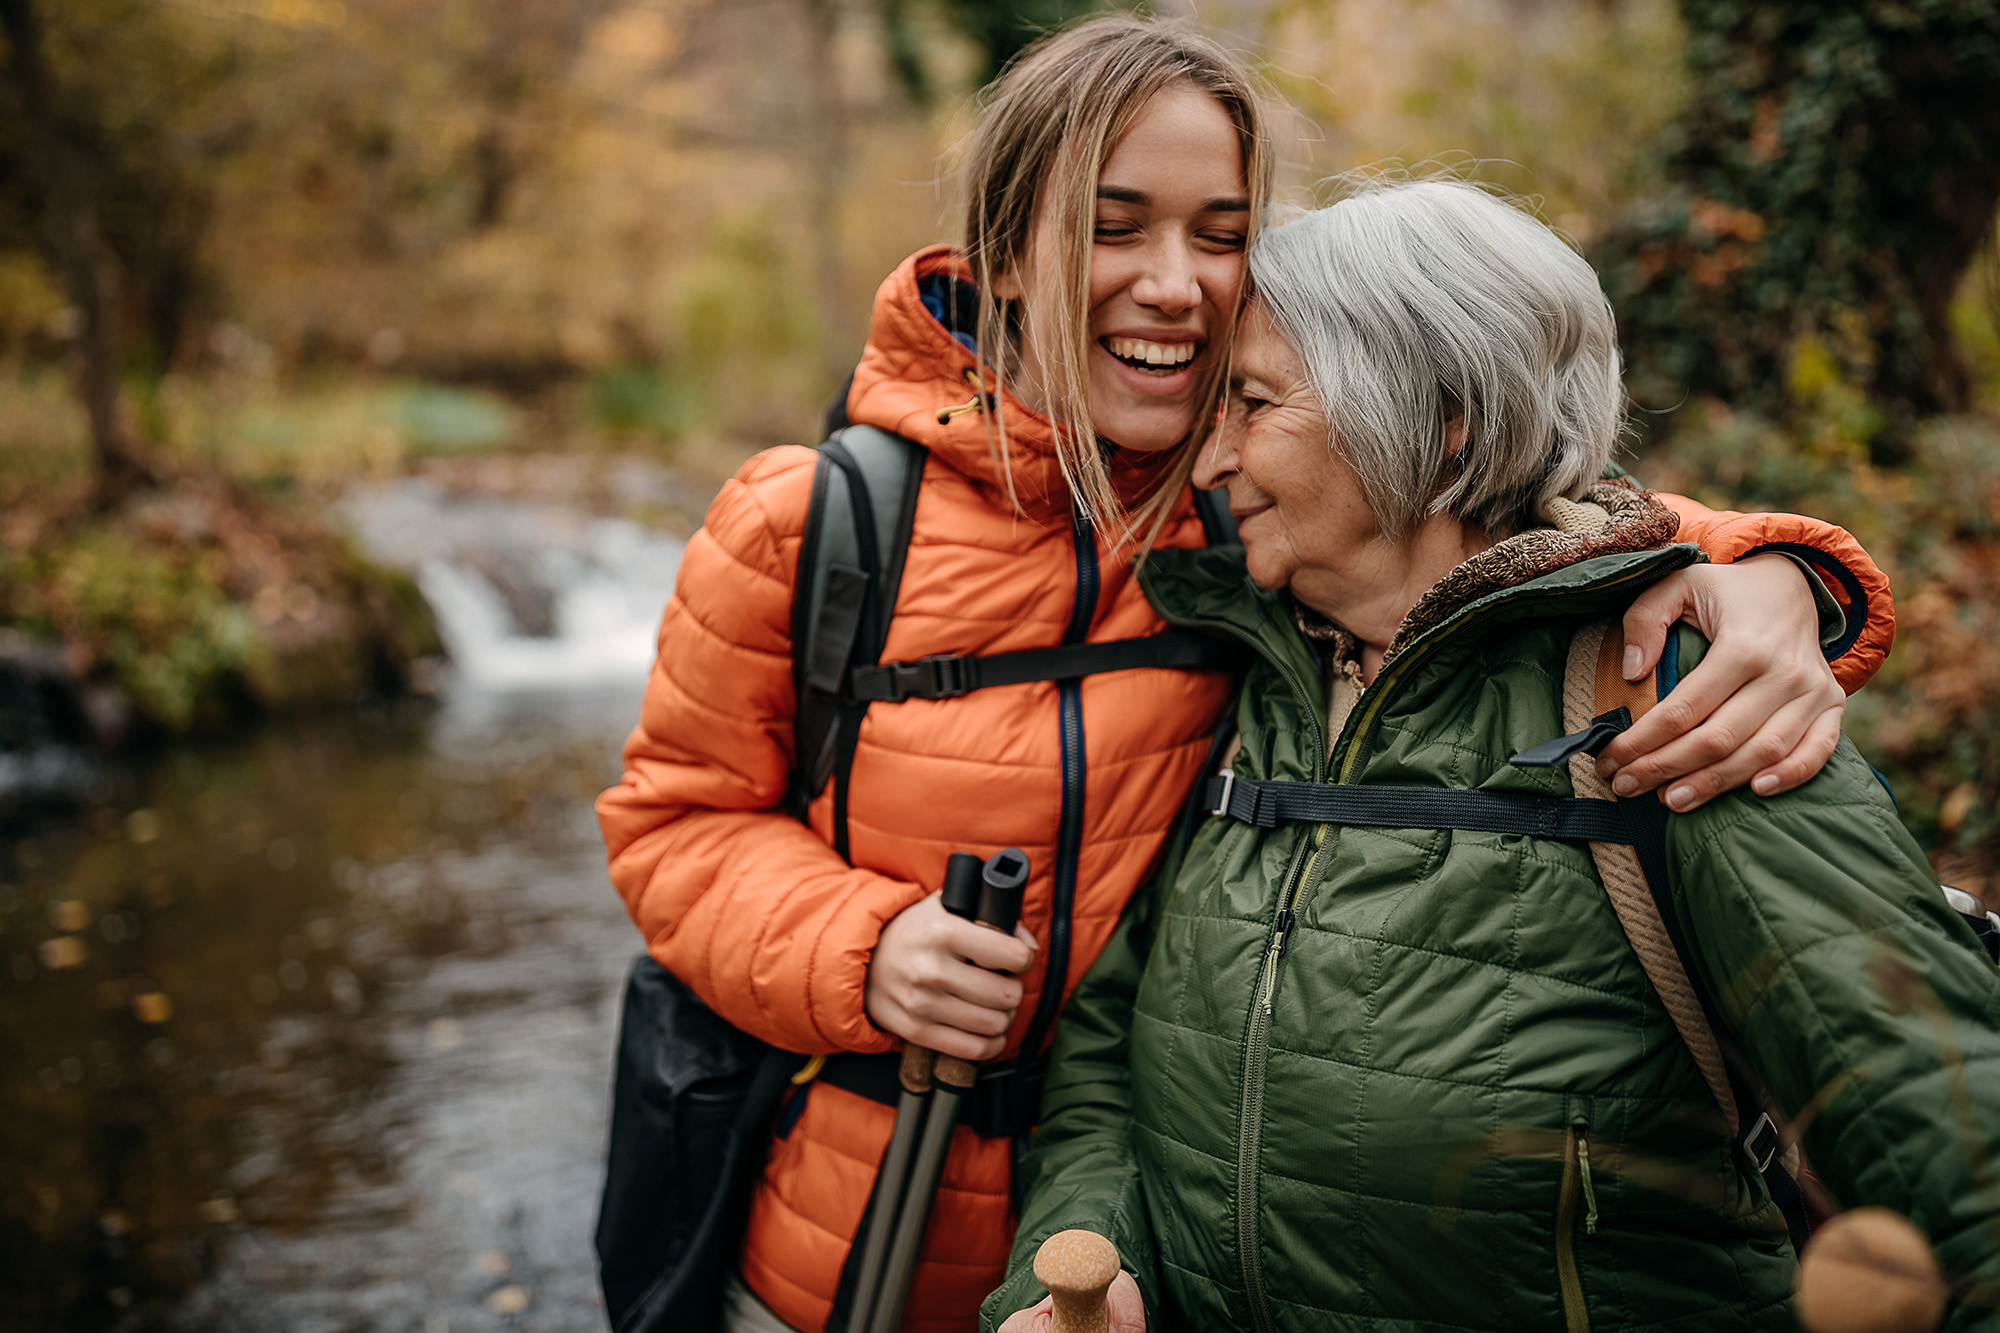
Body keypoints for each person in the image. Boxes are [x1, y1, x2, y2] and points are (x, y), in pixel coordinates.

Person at [598, 19, 1895, 1333]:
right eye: (1115, 227)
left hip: (1158, 1256)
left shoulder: (1258, 505)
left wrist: (1771, 568)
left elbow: (1520, 510)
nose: (1176, 284)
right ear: (999, 249)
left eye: (1221, 235)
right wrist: (860, 947)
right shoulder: (812, 523)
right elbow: (670, 829)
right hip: (846, 1246)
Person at [985, 179, 1999, 1333]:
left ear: (1437, 418)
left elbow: (1947, 1136)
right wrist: (1083, 1269)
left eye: (1253, 404)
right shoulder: (1250, 685)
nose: (1207, 460)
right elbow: (1111, 1062)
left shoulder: (1674, 697)